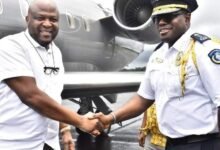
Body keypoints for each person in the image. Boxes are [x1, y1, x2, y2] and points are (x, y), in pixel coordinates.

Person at [92, 0, 220, 150]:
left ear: (187, 18)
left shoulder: (204, 50)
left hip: (202, 144)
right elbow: (143, 99)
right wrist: (110, 118)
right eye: (157, 18)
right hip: (170, 144)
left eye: (169, 16)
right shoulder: (157, 56)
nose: (161, 22)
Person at [0, 0, 102, 150]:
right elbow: (32, 96)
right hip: (15, 144)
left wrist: (65, 131)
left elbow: (53, 97)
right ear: (27, 19)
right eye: (40, 18)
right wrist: (81, 121)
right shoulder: (10, 46)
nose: (47, 24)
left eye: (53, 19)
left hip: (48, 143)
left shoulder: (55, 52)